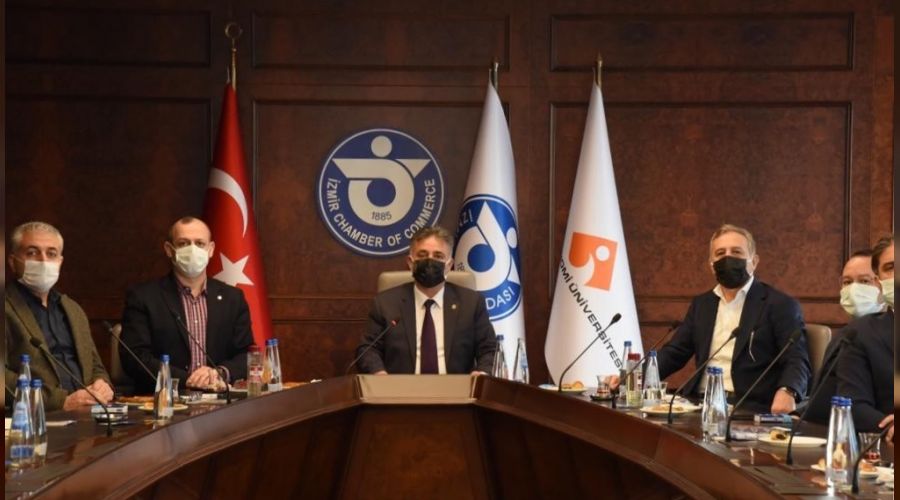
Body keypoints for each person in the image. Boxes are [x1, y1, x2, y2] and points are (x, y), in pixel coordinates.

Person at [655, 224, 811, 414]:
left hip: (748, 407)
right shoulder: (702, 304)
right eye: (720, 253)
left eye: (736, 252)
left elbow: (796, 358)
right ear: (711, 265)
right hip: (699, 403)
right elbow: (675, 352)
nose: (728, 258)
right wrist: (639, 376)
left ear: (754, 261)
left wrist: (788, 391)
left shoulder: (779, 304)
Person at [120, 217, 254, 393]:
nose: (192, 250)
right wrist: (188, 380)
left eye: (199, 243)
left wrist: (219, 373)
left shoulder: (233, 298)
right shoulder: (143, 297)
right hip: (165, 400)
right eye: (183, 243)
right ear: (169, 249)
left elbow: (247, 354)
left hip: (221, 400)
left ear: (211, 249)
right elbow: (135, 357)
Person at [355, 226, 496, 375]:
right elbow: (367, 349)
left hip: (457, 388)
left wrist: (482, 373)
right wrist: (379, 373)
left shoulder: (471, 303)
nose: (430, 261)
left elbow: (489, 349)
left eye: (438, 256)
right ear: (410, 263)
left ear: (449, 265)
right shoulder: (385, 304)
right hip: (401, 388)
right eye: (422, 255)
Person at [5, 221, 114, 411]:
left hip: (88, 413)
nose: (43, 261)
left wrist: (102, 384)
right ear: (13, 261)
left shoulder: (73, 309)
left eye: (51, 254)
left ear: (60, 262)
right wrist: (59, 401)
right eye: (32, 252)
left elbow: (95, 366)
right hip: (36, 416)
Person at [805, 249, 884, 424]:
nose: (853, 289)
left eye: (864, 281)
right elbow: (825, 395)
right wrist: (795, 416)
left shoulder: (883, 337)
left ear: (882, 284)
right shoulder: (847, 334)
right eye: (847, 282)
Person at [837, 234, 894, 439]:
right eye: (891, 267)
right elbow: (853, 404)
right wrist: (890, 426)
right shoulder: (860, 333)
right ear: (878, 282)